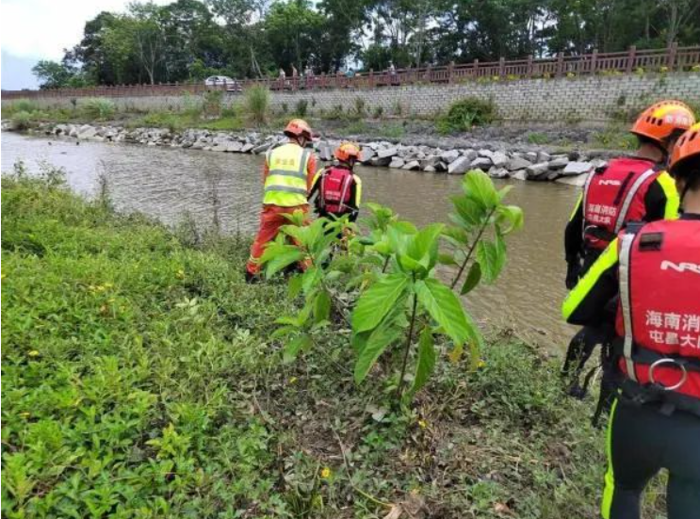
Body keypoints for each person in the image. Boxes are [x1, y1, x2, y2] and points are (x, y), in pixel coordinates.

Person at [562, 122, 700, 519]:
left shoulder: (633, 240)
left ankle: (569, 383)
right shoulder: (649, 190)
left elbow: (574, 309)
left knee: (622, 488)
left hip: (636, 411)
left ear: (680, 179)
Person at [561, 100, 695, 405]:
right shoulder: (663, 183)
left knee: (591, 328)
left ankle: (565, 383)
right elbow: (675, 237)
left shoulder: (600, 172)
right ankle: (606, 413)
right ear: (671, 142)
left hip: (591, 268)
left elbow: (573, 226)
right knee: (621, 345)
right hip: (631, 275)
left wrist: (572, 268)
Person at [245, 119, 317, 282]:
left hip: (272, 206)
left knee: (262, 240)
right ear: (302, 137)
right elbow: (308, 187)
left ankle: (251, 273)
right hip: (296, 209)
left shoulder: (272, 153)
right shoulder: (308, 156)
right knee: (303, 242)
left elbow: (266, 180)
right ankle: (309, 276)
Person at [309, 142, 362, 223]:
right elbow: (355, 209)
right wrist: (349, 229)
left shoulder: (323, 172)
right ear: (351, 160)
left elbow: (308, 194)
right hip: (341, 224)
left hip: (321, 221)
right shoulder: (355, 179)